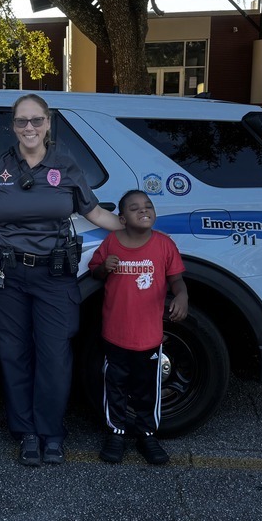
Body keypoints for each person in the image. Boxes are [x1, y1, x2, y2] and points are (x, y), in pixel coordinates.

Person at [0, 93, 124, 466]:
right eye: (22, 121)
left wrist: (140, 233)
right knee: (14, 356)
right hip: (7, 275)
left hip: (54, 277)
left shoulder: (66, 167)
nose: (29, 128)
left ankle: (52, 432)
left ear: (48, 123)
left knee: (54, 356)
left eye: (36, 120)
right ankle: (27, 434)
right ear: (13, 126)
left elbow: (96, 213)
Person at [88, 190, 188, 465]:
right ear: (122, 218)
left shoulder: (163, 244)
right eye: (134, 208)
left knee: (147, 389)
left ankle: (147, 434)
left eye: (148, 206)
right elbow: (95, 270)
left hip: (149, 336)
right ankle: (116, 433)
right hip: (116, 334)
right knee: (115, 386)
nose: (143, 211)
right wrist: (104, 267)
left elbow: (177, 280)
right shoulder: (112, 242)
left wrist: (182, 296)